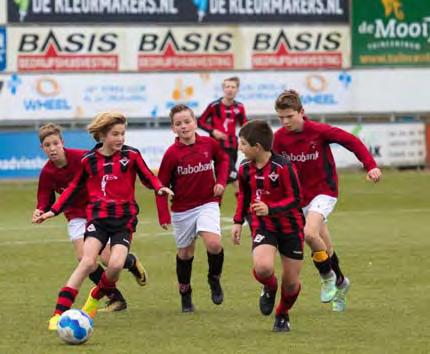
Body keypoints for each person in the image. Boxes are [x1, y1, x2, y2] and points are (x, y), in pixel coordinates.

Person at [33, 114, 173, 330]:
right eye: (115, 134)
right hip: (94, 218)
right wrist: (50, 210)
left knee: (114, 263)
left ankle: (97, 293)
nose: (120, 138)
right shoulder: (88, 160)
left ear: (62, 143)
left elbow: (147, 175)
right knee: (86, 261)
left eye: (122, 133)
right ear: (102, 136)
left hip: (123, 220)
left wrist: (158, 187)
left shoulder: (131, 155)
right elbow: (71, 189)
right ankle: (58, 313)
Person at [272, 90, 382, 312]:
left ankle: (327, 277)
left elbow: (351, 141)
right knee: (325, 248)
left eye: (290, 116)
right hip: (299, 199)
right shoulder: (279, 139)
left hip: (324, 192)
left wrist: (370, 165)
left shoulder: (319, 131)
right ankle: (341, 283)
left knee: (309, 234)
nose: (285, 122)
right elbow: (272, 166)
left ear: (302, 112)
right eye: (281, 118)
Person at [231, 120, 304, 333]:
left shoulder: (284, 167)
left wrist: (270, 208)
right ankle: (269, 287)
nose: (239, 147)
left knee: (290, 283)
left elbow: (297, 199)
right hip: (264, 226)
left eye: (243, 144)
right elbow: (243, 195)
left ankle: (282, 313)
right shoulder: (244, 168)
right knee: (263, 268)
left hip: (291, 228)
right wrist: (237, 221)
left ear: (258, 147)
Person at [156, 104, 229, 313]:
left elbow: (223, 159)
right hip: (182, 209)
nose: (184, 126)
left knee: (214, 244)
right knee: (185, 254)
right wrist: (163, 214)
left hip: (208, 203)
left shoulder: (209, 143)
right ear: (173, 129)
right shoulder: (171, 154)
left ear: (195, 123)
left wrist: (221, 182)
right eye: (178, 124)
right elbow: (160, 186)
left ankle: (214, 278)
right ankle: (185, 292)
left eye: (187, 122)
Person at [198, 76, 247, 198]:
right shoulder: (214, 106)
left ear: (237, 90)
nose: (230, 89)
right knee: (235, 179)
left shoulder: (239, 107)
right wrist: (213, 131)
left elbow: (245, 125)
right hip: (218, 147)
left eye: (233, 87)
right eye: (227, 87)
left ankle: (214, 210)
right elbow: (200, 121)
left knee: (222, 180)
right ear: (223, 89)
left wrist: (244, 140)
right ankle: (245, 213)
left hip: (232, 147)